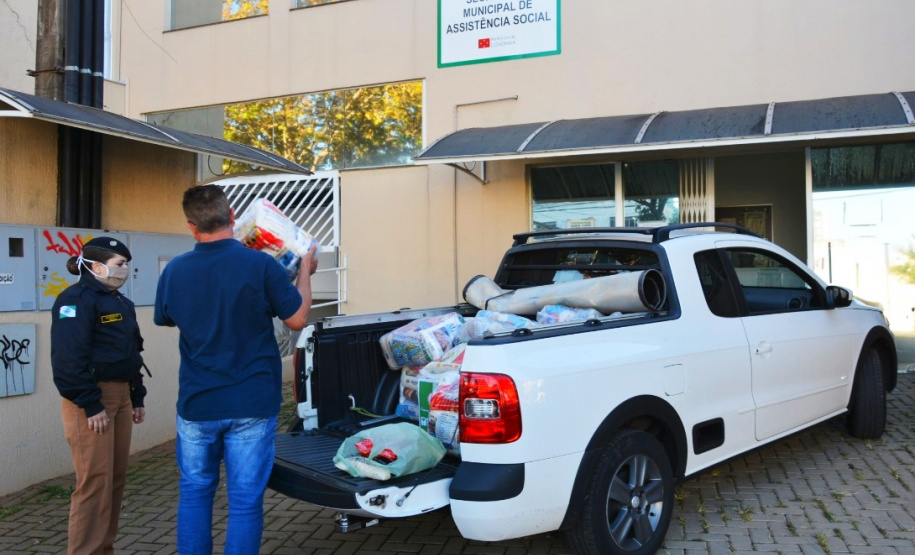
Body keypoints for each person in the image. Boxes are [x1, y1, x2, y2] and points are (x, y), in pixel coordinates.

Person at [154, 185, 317, 555]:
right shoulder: (260, 264)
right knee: (244, 502)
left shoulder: (174, 271)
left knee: (195, 494)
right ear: (232, 218)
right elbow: (297, 318)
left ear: (192, 227)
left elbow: (165, 317)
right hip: (251, 402)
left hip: (197, 404)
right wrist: (304, 270)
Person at [51, 236, 148, 555]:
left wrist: (136, 396)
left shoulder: (120, 301)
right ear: (96, 266)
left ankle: (103, 548)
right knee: (94, 483)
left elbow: (132, 351)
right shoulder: (75, 300)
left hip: (120, 397)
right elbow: (68, 361)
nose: (124, 271)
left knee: (114, 479)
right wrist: (91, 405)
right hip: (91, 401)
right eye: (120, 265)